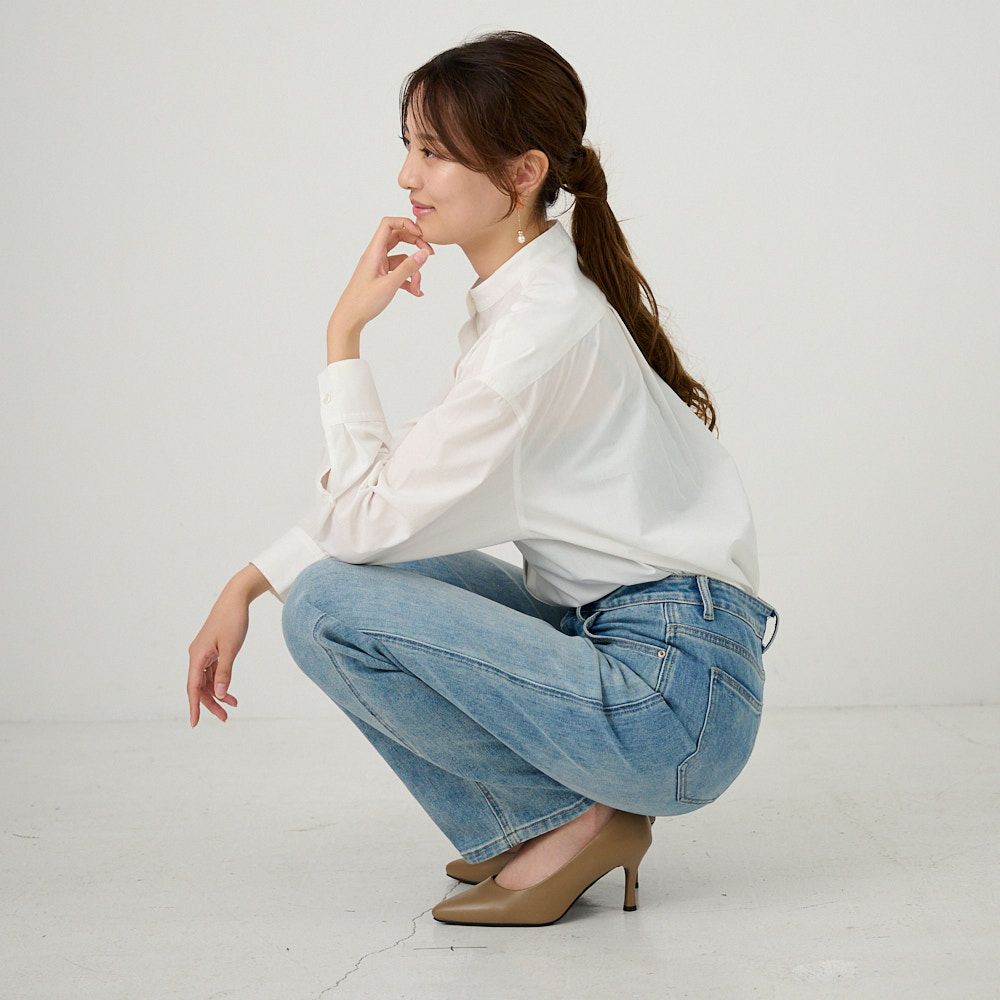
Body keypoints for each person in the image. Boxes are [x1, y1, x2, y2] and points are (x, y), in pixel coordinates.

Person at [186, 29, 780, 928]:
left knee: (327, 605)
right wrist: (246, 581)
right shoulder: (531, 310)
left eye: (434, 152)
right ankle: (546, 821)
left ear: (523, 173)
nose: (407, 177)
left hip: (670, 704)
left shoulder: (533, 340)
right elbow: (383, 506)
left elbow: (366, 518)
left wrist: (343, 335)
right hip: (645, 653)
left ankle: (573, 822)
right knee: (337, 581)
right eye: (409, 147)